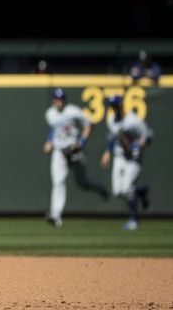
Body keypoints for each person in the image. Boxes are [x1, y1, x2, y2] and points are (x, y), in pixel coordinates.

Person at [43, 88, 108, 228]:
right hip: (60, 152)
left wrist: (81, 143)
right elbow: (53, 128)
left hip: (74, 151)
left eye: (60, 99)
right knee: (58, 181)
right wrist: (49, 141)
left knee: (83, 183)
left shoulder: (73, 111)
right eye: (56, 99)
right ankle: (55, 215)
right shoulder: (50, 113)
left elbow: (89, 125)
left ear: (64, 100)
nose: (58, 101)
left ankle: (99, 187)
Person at [101, 94, 152, 231]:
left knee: (128, 187)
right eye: (112, 106)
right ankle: (141, 192)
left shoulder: (134, 121)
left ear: (122, 105)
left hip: (133, 158)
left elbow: (148, 137)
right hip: (119, 157)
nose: (114, 108)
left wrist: (138, 145)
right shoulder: (112, 120)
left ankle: (134, 220)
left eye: (116, 105)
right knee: (118, 191)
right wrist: (107, 152)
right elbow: (113, 137)